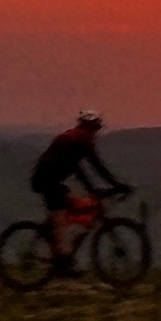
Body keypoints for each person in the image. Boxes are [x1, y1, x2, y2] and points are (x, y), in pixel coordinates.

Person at [30, 110, 126, 275]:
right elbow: (97, 166)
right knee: (59, 215)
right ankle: (61, 262)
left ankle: (57, 248)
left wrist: (95, 189)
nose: (95, 133)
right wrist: (117, 185)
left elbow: (78, 169)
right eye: (94, 129)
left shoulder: (73, 139)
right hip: (47, 180)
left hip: (50, 180)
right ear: (89, 128)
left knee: (72, 206)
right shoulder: (81, 140)